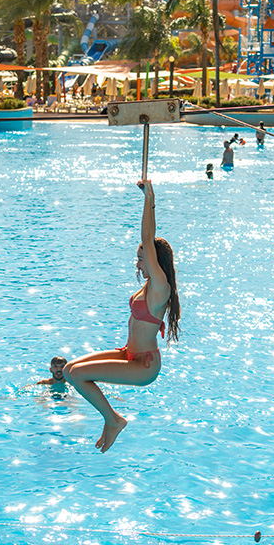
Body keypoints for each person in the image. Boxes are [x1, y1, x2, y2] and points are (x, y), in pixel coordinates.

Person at [64, 179, 180, 453]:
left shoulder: (160, 288)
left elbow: (147, 237)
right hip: (129, 353)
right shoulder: (149, 286)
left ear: (154, 261)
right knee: (69, 371)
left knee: (79, 376)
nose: (138, 263)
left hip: (143, 365)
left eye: (141, 259)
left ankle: (113, 419)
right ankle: (111, 420)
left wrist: (148, 199)